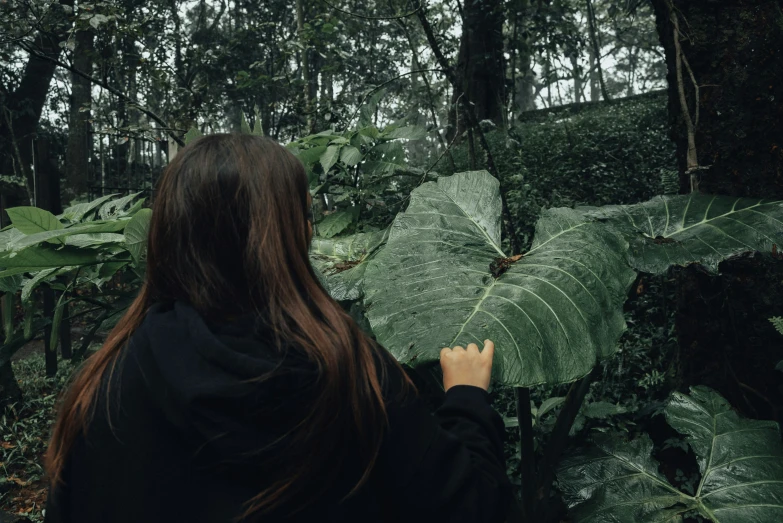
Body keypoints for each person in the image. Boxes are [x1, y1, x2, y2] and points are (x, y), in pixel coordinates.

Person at [43, 134, 512, 523]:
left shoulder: (105, 385)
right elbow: (468, 507)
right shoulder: (346, 368)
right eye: (305, 215)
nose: (311, 230)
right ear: (284, 234)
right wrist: (467, 400)